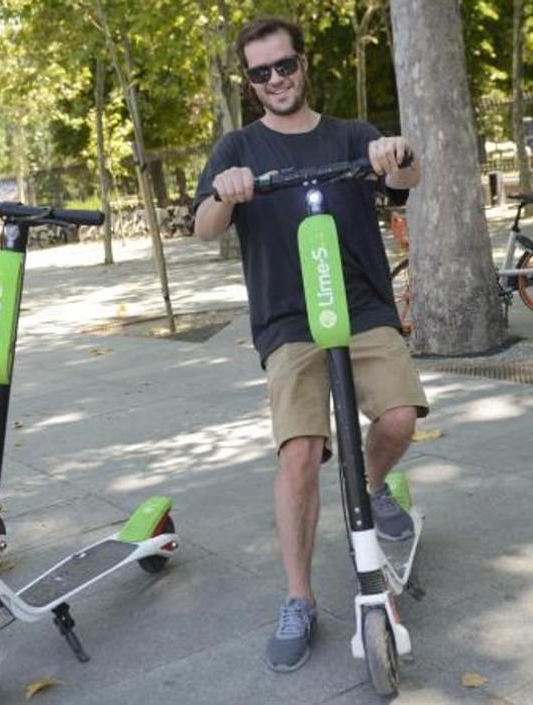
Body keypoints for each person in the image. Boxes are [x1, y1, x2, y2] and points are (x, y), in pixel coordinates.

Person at [193, 17, 428, 673]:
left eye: (284, 66)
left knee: (401, 415)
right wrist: (224, 191)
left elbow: (407, 179)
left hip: (361, 306)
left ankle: (372, 485)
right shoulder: (237, 145)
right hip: (288, 319)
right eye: (261, 72)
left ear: (303, 64)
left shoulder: (352, 133)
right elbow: (204, 228)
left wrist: (399, 153)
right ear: (250, 82)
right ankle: (299, 597)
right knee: (299, 451)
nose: (275, 79)